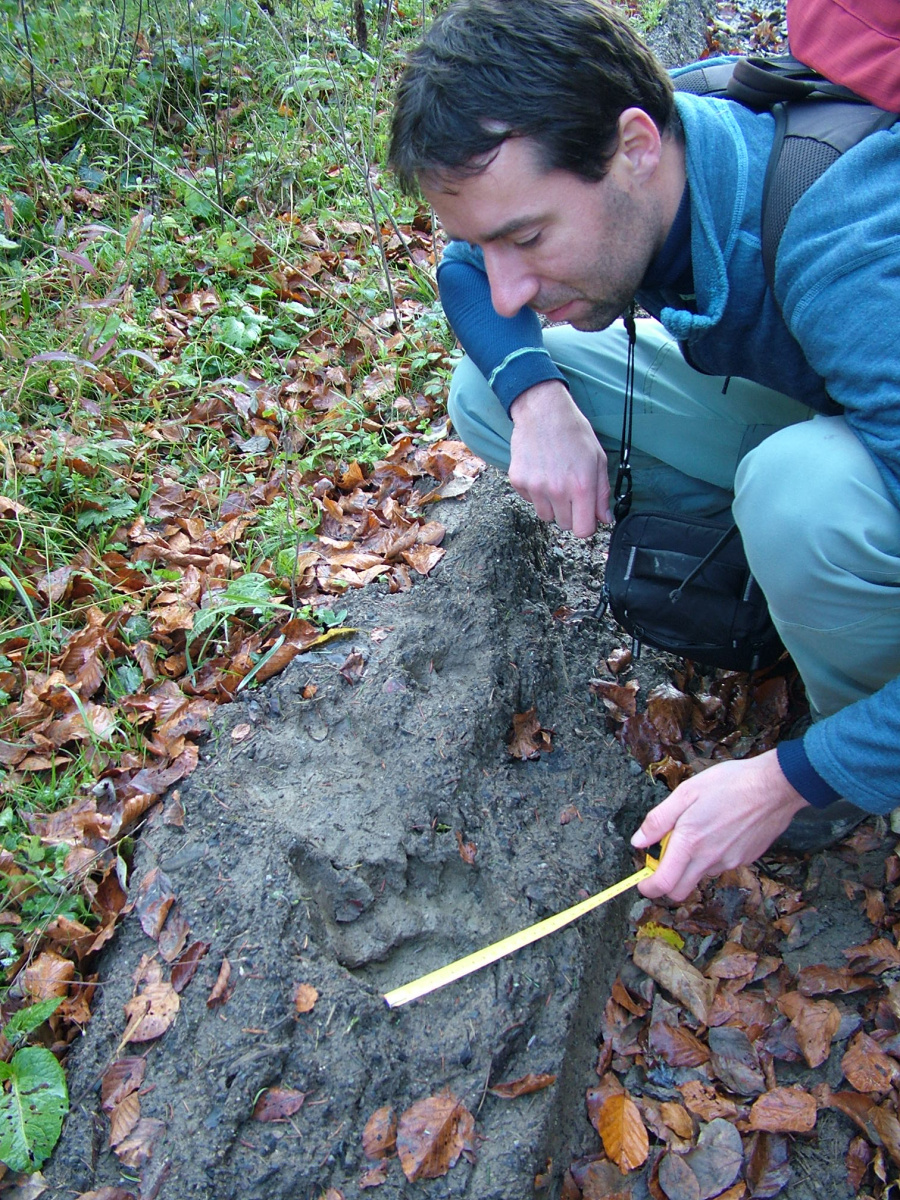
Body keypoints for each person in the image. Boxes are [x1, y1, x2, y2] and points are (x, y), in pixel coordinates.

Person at [387, 0, 900, 903]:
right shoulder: (670, 150)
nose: (504, 282)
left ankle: (858, 717)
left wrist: (796, 778)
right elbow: (465, 275)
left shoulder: (852, 252)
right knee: (490, 390)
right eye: (485, 237)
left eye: (528, 237)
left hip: (851, 416)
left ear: (635, 147)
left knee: (801, 498)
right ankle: (783, 578)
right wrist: (538, 397)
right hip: (829, 402)